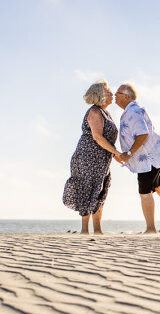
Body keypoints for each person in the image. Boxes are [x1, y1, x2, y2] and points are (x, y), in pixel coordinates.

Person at [114, 83, 160, 234]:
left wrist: (129, 154)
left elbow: (142, 134)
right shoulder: (132, 110)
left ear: (126, 96)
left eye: (117, 93)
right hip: (157, 155)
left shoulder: (132, 112)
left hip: (148, 159)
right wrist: (126, 156)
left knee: (145, 194)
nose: (114, 95)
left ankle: (151, 228)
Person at [63, 80, 127, 234]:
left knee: (100, 191)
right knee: (87, 190)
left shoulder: (106, 113)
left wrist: (115, 154)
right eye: (108, 92)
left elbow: (106, 140)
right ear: (100, 95)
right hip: (87, 157)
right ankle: (85, 231)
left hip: (102, 159)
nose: (112, 94)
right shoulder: (94, 112)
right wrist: (117, 153)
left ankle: (98, 230)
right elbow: (97, 137)